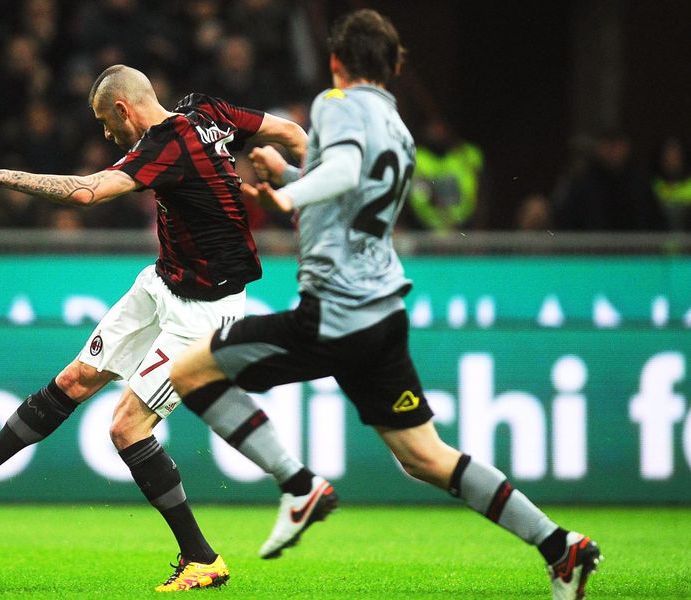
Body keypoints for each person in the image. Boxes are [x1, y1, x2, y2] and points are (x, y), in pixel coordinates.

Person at [168, 10, 601, 600]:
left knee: (190, 370)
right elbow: (353, 193)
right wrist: (291, 172)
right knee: (426, 457)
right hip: (381, 314)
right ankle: (560, 547)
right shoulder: (397, 127)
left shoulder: (334, 104)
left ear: (335, 62)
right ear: (394, 66)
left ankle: (298, 485)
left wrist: (290, 194)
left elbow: (344, 171)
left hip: (335, 312)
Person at [0, 64, 306, 592]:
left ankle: (202, 559)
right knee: (75, 379)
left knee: (126, 427)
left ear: (122, 109)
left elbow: (86, 192)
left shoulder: (166, 144)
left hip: (204, 314)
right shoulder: (205, 110)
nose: (105, 134)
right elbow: (292, 133)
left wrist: (2, 176)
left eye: (105, 122)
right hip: (162, 282)